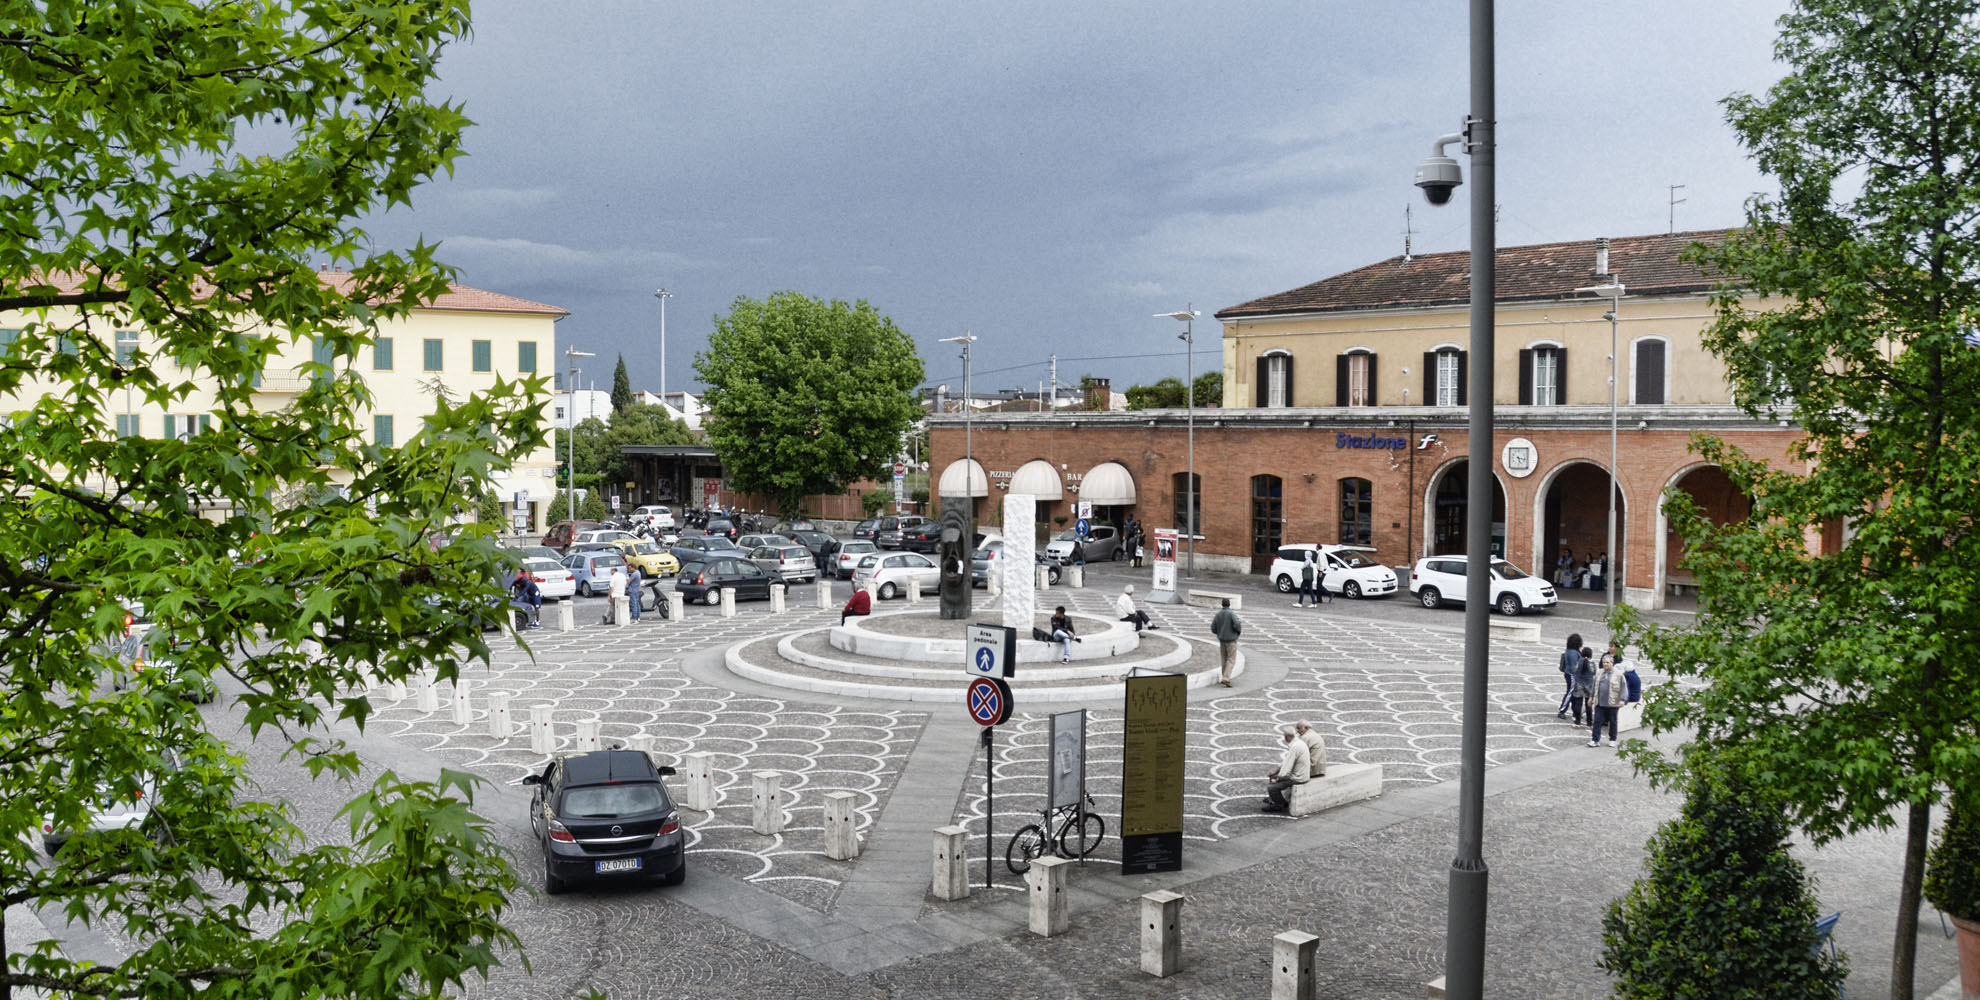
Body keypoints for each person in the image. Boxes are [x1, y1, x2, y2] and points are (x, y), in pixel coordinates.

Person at [1262, 725, 1311, 813]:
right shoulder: (1298, 743)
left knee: (1272, 787)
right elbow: (1286, 762)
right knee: (1274, 776)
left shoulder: (1295, 747)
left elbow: (1286, 770)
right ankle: (1275, 799)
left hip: (1298, 778)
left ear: (1286, 736)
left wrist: (1277, 779)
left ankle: (1279, 804)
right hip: (1303, 774)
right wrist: (1276, 771)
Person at [1589, 650, 1629, 747]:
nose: (1605, 664)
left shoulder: (1619, 675)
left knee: (1613, 721)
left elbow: (1624, 688)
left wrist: (1622, 700)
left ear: (1612, 663)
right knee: (1597, 721)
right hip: (1600, 702)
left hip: (1613, 702)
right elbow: (1594, 686)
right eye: (1604, 662)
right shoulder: (1599, 673)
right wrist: (1591, 697)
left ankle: (1612, 739)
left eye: (1607, 662)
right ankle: (1595, 740)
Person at [1210, 597, 1242, 687]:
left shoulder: (1218, 614)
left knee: (1224, 659)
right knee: (1231, 659)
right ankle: (1226, 678)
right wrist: (1237, 632)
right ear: (1229, 604)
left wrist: (1218, 633)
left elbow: (1213, 627)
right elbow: (1237, 624)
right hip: (1231, 640)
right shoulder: (1231, 614)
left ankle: (1224, 676)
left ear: (1222, 604)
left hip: (1222, 640)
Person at [1570, 642, 1597, 726]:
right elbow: (1594, 672)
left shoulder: (1578, 662)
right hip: (1589, 685)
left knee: (1578, 703)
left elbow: (1574, 670)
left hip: (1579, 685)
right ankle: (1589, 722)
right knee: (1588, 704)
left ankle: (1577, 721)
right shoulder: (1592, 664)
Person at [1556, 632, 1582, 719]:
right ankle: (1562, 710)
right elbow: (1574, 667)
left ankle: (1575, 711)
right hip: (1572, 675)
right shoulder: (1574, 653)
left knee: (1573, 692)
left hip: (1568, 674)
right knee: (1570, 692)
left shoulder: (1569, 651)